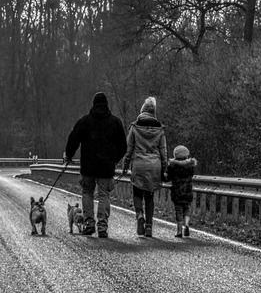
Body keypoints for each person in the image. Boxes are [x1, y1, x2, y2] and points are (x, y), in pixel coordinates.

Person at [64, 91, 126, 237]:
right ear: (106, 105)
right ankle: (102, 227)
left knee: (87, 193)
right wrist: (114, 160)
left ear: (93, 104)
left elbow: (73, 139)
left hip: (88, 167)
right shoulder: (115, 122)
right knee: (104, 195)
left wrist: (69, 155)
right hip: (106, 167)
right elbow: (123, 146)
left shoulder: (84, 121)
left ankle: (89, 224)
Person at [125, 97, 168, 238]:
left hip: (139, 164)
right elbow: (163, 152)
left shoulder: (135, 127)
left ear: (142, 110)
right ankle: (149, 227)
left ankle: (139, 214)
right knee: (149, 196)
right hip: (154, 165)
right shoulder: (160, 130)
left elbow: (129, 149)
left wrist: (125, 165)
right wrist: (164, 168)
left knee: (137, 192)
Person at [164, 144, 197, 237]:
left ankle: (179, 231)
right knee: (187, 209)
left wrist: (163, 175)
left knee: (178, 211)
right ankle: (186, 224)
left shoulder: (172, 166)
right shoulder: (190, 166)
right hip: (188, 192)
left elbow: (167, 178)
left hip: (177, 193)